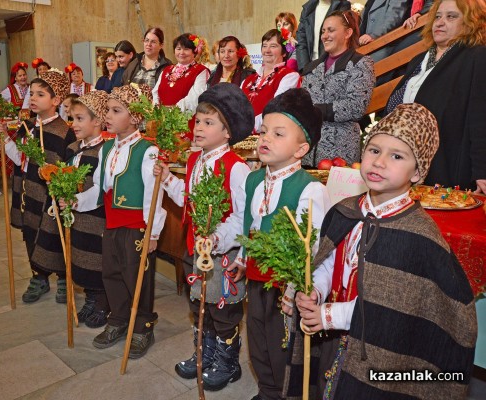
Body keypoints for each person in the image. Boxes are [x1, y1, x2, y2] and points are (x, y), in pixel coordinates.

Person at [297, 103, 477, 399]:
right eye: (374, 150)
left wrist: (328, 315)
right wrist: (317, 288)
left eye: (396, 156)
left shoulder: (418, 235)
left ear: (418, 171)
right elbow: (329, 260)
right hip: (332, 339)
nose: (379, 162)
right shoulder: (345, 211)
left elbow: (395, 309)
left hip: (378, 356)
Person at [154, 83, 254, 390]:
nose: (198, 127)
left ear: (227, 132)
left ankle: (228, 362)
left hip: (222, 253)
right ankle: (205, 353)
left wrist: (217, 238)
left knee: (223, 309)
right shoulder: (195, 161)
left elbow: (243, 216)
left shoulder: (236, 168)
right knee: (200, 305)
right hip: (194, 248)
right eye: (198, 121)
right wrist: (169, 179)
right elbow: (188, 200)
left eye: (208, 122)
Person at [238, 89, 330, 400]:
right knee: (258, 339)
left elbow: (314, 247)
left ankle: (284, 393)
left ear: (301, 148)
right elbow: (248, 226)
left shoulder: (309, 189)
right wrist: (241, 258)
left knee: (282, 345)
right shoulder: (253, 180)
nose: (265, 138)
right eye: (263, 131)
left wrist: (296, 288)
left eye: (279, 134)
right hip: (256, 277)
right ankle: (267, 390)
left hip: (285, 286)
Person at [72, 84, 166, 358]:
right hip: (112, 223)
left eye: (116, 111)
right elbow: (102, 190)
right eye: (108, 110)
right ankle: (119, 319)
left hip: (136, 225)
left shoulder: (147, 150)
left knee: (137, 276)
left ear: (135, 117)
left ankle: (143, 325)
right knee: (111, 273)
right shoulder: (107, 147)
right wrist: (76, 202)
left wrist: (153, 231)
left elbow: (154, 195)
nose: (108, 116)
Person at [386, 0, 486, 192]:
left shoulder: (477, 57)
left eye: (451, 16)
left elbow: (481, 118)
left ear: (471, 22)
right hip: (405, 171)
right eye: (438, 17)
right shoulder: (418, 60)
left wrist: (482, 170)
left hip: (446, 172)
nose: (440, 23)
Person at [0, 70, 77, 304]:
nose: (32, 98)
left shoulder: (64, 131)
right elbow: (19, 158)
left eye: (40, 94)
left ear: (55, 100)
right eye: (31, 93)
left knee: (54, 234)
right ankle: (38, 276)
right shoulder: (27, 126)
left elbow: (68, 166)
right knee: (31, 233)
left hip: (51, 196)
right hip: (28, 190)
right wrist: (5, 139)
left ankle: (63, 277)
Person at [301, 10, 375, 166]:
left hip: (341, 154)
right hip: (307, 152)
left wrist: (317, 110)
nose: (325, 35)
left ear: (348, 33)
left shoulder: (360, 63)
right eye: (323, 31)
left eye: (331, 30)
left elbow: (356, 106)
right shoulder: (311, 68)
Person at [63, 91, 110, 328]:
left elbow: (102, 188)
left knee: (96, 259)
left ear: (97, 121)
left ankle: (102, 301)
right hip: (77, 216)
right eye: (72, 118)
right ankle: (91, 298)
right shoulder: (72, 148)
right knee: (80, 256)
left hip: (97, 217)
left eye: (80, 118)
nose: (74, 124)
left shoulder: (105, 150)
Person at [241, 29, 301, 133]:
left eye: (273, 46)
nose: (267, 50)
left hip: (270, 139)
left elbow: (277, 110)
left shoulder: (290, 76)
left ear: (284, 52)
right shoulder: (247, 80)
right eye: (264, 46)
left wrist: (246, 127)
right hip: (241, 138)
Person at [153, 33, 210, 136]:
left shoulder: (201, 71)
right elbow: (155, 92)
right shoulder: (166, 70)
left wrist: (171, 114)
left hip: (185, 124)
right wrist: (157, 113)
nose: (181, 52)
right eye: (178, 49)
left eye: (186, 49)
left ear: (194, 51)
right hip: (162, 124)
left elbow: (195, 98)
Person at [296, 0, 351, 71]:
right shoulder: (308, 8)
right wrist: (304, 68)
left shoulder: (342, 5)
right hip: (309, 65)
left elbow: (339, 39)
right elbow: (301, 40)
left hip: (332, 66)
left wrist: (323, 67)